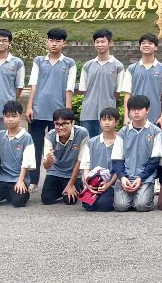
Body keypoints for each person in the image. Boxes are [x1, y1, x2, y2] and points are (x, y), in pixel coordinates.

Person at [24, 28, 75, 188]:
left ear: (64, 43)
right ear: (47, 42)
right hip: (38, 110)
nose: (54, 44)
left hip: (58, 114)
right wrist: (29, 106)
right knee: (35, 146)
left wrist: (68, 114)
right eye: (51, 40)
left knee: (59, 147)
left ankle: (58, 179)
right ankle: (33, 181)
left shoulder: (69, 63)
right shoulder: (39, 61)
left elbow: (69, 89)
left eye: (58, 41)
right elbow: (33, 84)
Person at [0, 100, 35, 208]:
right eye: (7, 116)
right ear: (3, 117)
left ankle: (19, 191)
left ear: (21, 117)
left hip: (17, 178)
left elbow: (27, 161)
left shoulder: (26, 137)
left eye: (14, 116)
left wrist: (21, 180)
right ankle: (8, 193)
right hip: (1, 178)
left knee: (18, 202)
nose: (10, 119)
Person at [112, 95, 162, 212]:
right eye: (133, 109)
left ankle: (141, 196)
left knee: (142, 205)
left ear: (147, 110)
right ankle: (131, 196)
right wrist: (122, 177)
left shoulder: (156, 132)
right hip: (126, 176)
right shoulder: (122, 132)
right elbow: (117, 158)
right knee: (121, 206)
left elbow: (155, 160)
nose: (136, 112)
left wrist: (141, 178)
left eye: (139, 109)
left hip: (146, 177)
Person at [78, 29, 125, 138]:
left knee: (106, 142)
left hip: (108, 115)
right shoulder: (87, 66)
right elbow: (83, 90)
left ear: (110, 43)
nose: (100, 44)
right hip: (88, 112)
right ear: (94, 43)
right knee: (87, 143)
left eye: (103, 41)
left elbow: (118, 92)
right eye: (97, 42)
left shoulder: (118, 66)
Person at [41, 107, 88, 205]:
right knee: (46, 199)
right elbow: (46, 166)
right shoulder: (50, 136)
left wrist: (71, 184)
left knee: (70, 201)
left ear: (72, 122)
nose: (60, 127)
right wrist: (49, 161)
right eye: (57, 124)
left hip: (72, 172)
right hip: (55, 171)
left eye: (64, 124)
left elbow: (80, 161)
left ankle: (76, 185)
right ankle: (62, 189)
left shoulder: (82, 133)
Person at [77, 107, 121, 212]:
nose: (107, 123)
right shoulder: (91, 142)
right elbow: (86, 165)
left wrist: (108, 185)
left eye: (110, 119)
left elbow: (119, 168)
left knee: (104, 205)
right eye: (104, 119)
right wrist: (88, 184)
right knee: (88, 205)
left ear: (116, 122)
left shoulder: (120, 142)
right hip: (94, 182)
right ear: (100, 122)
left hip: (113, 183)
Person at [122, 33, 162, 127]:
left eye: (150, 43)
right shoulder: (131, 69)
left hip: (156, 117)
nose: (146, 45)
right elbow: (127, 94)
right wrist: (126, 116)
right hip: (135, 117)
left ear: (156, 47)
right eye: (143, 43)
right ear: (140, 47)